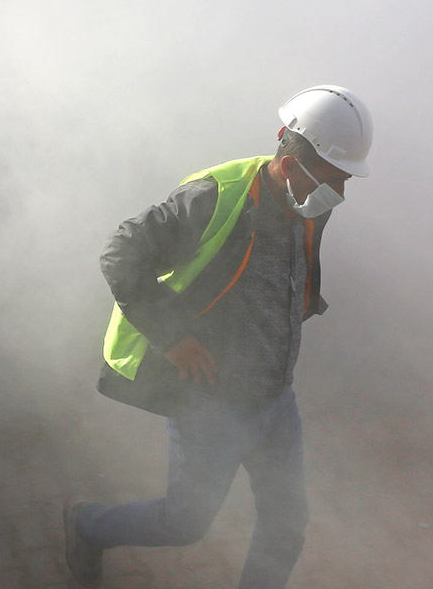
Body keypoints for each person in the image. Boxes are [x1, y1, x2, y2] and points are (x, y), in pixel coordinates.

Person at [64, 85, 374, 589]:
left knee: (286, 525)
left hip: (276, 396)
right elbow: (121, 253)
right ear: (292, 161)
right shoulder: (215, 197)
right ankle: (87, 524)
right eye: (334, 178)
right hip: (211, 401)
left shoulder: (313, 199)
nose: (340, 193)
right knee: (184, 523)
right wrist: (172, 338)